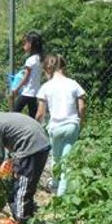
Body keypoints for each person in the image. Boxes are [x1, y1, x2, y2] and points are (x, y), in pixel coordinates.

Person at [35, 55, 86, 196]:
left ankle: (55, 184)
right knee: (67, 160)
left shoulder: (46, 87)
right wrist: (81, 122)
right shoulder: (73, 83)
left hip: (55, 128)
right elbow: (81, 107)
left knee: (56, 158)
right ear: (63, 67)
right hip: (71, 125)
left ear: (47, 69)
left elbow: (40, 113)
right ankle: (62, 193)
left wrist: (34, 127)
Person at [10, 31, 44, 119]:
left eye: (26, 42)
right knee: (33, 117)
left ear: (31, 44)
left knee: (13, 114)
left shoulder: (30, 60)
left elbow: (26, 78)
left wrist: (16, 89)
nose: (24, 45)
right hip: (35, 92)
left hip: (27, 92)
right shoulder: (40, 59)